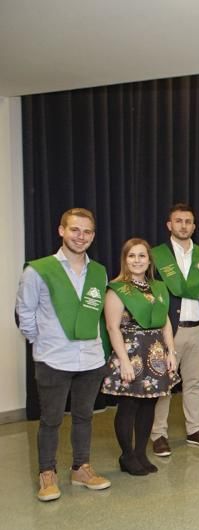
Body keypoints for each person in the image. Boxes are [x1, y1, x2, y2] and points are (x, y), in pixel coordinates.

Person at [16, 208, 112, 501]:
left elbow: (98, 315)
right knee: (51, 419)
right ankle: (47, 473)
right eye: (74, 230)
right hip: (53, 358)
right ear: (61, 231)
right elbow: (25, 313)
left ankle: (81, 468)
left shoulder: (99, 271)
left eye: (87, 232)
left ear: (93, 236)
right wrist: (42, 343)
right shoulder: (38, 270)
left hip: (91, 358)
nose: (80, 237)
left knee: (84, 415)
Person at [102, 238, 181, 475]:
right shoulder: (117, 289)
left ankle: (140, 454)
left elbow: (165, 321)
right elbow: (112, 328)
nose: (137, 261)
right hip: (131, 353)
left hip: (155, 352)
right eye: (132, 256)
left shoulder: (157, 286)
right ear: (125, 260)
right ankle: (127, 456)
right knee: (129, 405)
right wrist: (124, 361)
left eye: (141, 256)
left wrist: (171, 352)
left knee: (149, 404)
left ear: (149, 260)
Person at [149, 203, 199, 455]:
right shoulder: (156, 255)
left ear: (194, 226)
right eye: (178, 221)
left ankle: (194, 429)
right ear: (169, 225)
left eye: (188, 221)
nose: (183, 225)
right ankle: (158, 434)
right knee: (164, 385)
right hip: (169, 330)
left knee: (194, 383)